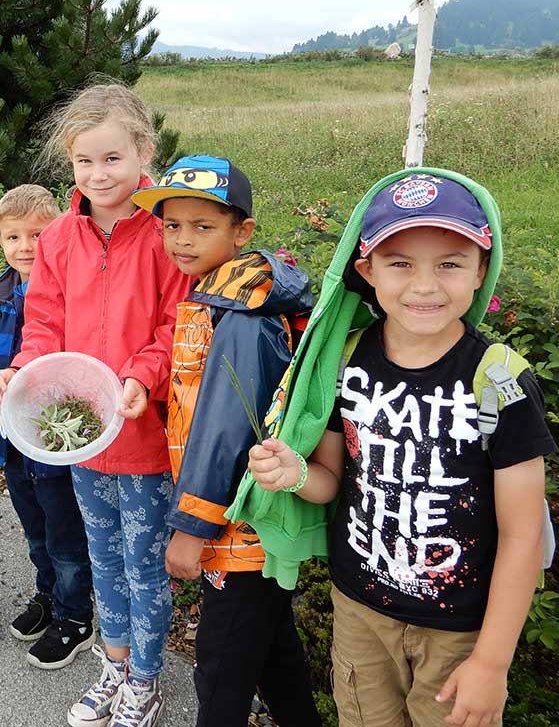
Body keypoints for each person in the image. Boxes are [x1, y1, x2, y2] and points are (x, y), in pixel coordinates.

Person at [247, 172, 554, 727]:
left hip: (460, 629)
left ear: (482, 267)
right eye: (400, 263)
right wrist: (292, 473)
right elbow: (330, 482)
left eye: (450, 263)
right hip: (360, 611)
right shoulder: (346, 360)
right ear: (365, 270)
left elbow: (523, 532)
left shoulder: (499, 380)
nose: (425, 285)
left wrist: (492, 662)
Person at [0, 83, 192, 727]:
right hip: (79, 437)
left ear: (143, 153)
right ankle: (112, 667)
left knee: (145, 566)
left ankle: (147, 678)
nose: (98, 174)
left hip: (144, 438)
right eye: (84, 161)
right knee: (102, 557)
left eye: (112, 159)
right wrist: (24, 371)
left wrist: (141, 375)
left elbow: (176, 324)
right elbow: (44, 322)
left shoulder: (167, 234)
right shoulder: (57, 238)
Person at [131, 156, 320, 727]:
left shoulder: (241, 313)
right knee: (272, 654)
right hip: (238, 523)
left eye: (202, 226)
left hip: (240, 528)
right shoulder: (215, 296)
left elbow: (225, 433)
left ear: (242, 232)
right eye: (171, 226)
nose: (182, 240)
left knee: (220, 671)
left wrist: (190, 529)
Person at [0, 184, 94, 670]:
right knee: (35, 529)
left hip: (57, 439)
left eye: (37, 235)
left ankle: (75, 615)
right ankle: (48, 596)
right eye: (12, 237)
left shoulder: (71, 294)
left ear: (57, 235)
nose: (24, 247)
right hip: (11, 442)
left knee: (65, 534)